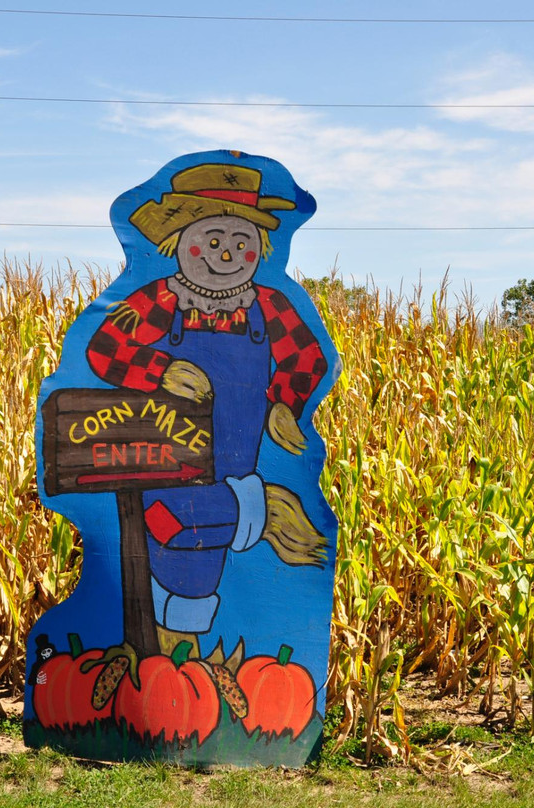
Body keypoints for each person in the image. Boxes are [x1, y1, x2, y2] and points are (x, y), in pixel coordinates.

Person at [85, 163, 329, 655]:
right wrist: (160, 370)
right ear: (180, 241)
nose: (227, 255)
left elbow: (307, 358)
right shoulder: (161, 299)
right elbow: (105, 349)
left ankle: (177, 654)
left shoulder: (269, 305)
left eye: (242, 242)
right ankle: (261, 513)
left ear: (261, 248)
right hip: (166, 456)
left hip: (237, 455)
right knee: (172, 521)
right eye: (212, 240)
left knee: (200, 552)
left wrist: (285, 402)